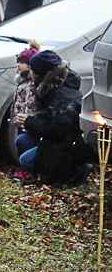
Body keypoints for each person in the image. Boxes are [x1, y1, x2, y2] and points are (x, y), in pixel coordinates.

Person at [14, 50, 92, 184]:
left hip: (68, 146)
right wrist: (32, 118)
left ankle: (74, 169)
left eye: (32, 69)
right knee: (21, 140)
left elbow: (58, 129)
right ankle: (41, 172)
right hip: (56, 140)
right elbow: (50, 115)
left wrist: (30, 121)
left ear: (40, 73)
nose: (29, 72)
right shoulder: (51, 87)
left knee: (25, 160)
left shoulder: (63, 95)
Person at [11, 42, 41, 182]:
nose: (18, 65)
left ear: (29, 65)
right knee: (20, 142)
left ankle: (30, 170)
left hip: (26, 122)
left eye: (22, 62)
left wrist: (27, 121)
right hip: (20, 120)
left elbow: (30, 103)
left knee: (26, 143)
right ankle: (25, 169)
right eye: (18, 62)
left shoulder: (30, 84)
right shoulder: (22, 80)